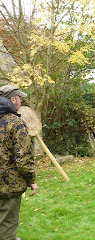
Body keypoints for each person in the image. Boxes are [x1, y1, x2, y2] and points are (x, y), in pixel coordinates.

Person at [0, 85, 38, 240]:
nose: (22, 101)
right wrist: (32, 179)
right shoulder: (15, 123)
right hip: (8, 185)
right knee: (7, 225)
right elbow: (23, 158)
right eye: (20, 98)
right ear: (13, 100)